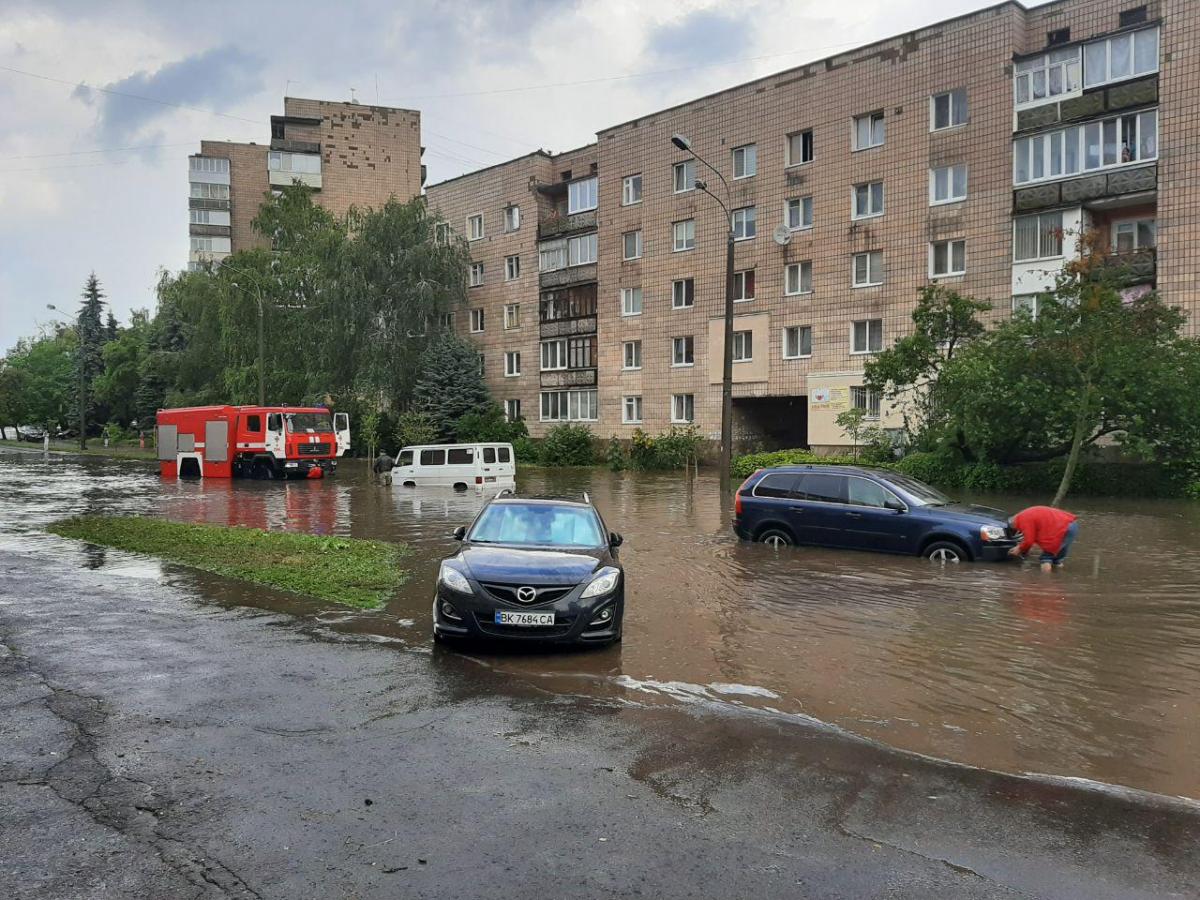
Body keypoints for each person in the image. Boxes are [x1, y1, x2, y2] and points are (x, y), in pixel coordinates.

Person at [1008, 505, 1079, 572]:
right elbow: (1032, 538)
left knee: (1046, 558)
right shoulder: (1028, 513)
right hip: (1072, 525)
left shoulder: (1022, 519)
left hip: (1062, 529)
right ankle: (1059, 577)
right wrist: (1023, 548)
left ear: (1013, 524)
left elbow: (1029, 541)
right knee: (1056, 560)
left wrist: (1019, 549)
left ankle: (1045, 581)